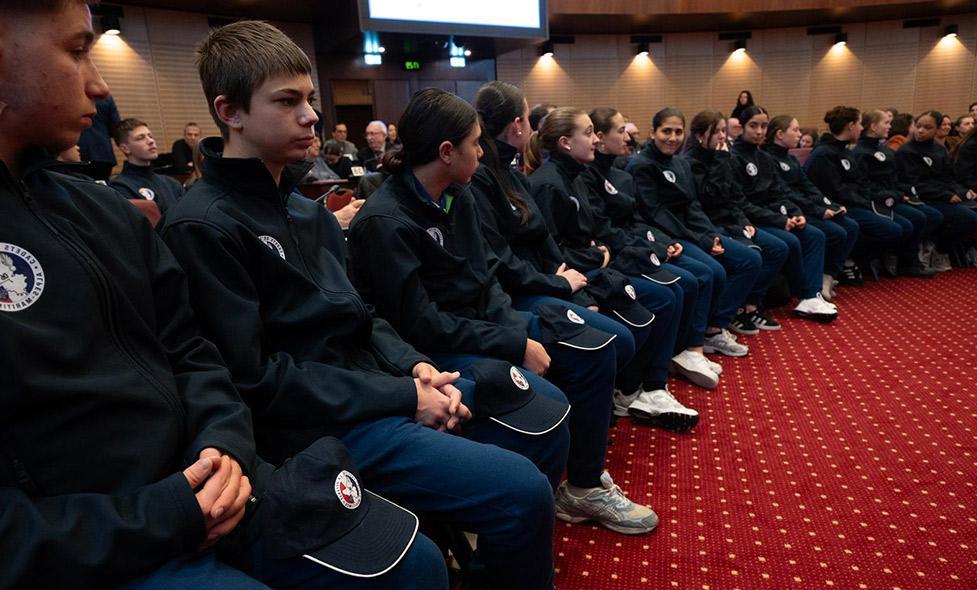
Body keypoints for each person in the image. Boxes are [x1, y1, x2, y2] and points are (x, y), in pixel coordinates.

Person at [0, 4, 447, 589]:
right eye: (78, 49)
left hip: (217, 469)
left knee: (416, 566)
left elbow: (191, 352)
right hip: (99, 532)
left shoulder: (101, 211)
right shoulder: (200, 224)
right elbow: (256, 375)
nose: (99, 83)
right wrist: (168, 511)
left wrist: (222, 447)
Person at [162, 23, 565, 590]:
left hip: (377, 388)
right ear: (230, 111)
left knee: (540, 416)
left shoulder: (308, 213)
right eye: (287, 101)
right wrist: (405, 394)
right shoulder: (203, 225)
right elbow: (255, 381)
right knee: (521, 492)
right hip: (312, 427)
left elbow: (363, 315)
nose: (310, 116)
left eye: (309, 99)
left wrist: (415, 367)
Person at [349, 88, 660, 537]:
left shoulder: (458, 195)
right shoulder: (386, 221)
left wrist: (517, 333)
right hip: (435, 352)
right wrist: (515, 342)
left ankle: (581, 488)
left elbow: (485, 279)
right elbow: (421, 325)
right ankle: (526, 501)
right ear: (446, 152)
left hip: (485, 325)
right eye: (476, 143)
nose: (482, 150)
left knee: (595, 350)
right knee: (549, 406)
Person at [520, 102, 705, 414]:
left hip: (593, 263)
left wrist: (600, 252)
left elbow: (592, 229)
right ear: (566, 143)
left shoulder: (575, 174)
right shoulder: (548, 183)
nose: (595, 139)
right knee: (661, 298)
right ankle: (633, 388)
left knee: (672, 291)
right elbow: (551, 251)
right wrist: (596, 256)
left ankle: (650, 384)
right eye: (590, 133)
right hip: (578, 274)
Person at [583, 106, 723, 390]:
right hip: (612, 256)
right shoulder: (591, 175)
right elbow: (605, 230)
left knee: (699, 276)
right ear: (599, 137)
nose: (627, 137)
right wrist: (653, 248)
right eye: (621, 131)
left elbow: (634, 220)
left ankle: (680, 354)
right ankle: (651, 382)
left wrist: (659, 243)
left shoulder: (619, 175)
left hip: (635, 243)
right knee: (678, 287)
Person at [628, 107, 768, 351]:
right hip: (663, 234)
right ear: (652, 132)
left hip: (691, 231)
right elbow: (656, 213)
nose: (672, 137)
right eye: (666, 131)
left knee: (750, 258)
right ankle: (698, 339)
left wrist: (709, 234)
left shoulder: (679, 164)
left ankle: (714, 327)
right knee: (712, 271)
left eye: (678, 132)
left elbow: (692, 205)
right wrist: (701, 239)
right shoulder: (641, 165)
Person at [682, 111, 791, 330]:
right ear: (701, 136)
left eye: (724, 131)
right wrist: (721, 161)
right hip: (709, 224)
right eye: (717, 131)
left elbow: (733, 198)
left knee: (779, 248)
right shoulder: (689, 162)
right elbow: (706, 197)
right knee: (751, 257)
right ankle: (720, 321)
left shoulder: (722, 158)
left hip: (730, 220)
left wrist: (743, 221)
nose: (722, 136)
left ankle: (749, 304)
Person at [730, 106, 838, 322]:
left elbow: (779, 193)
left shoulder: (764, 158)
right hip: (750, 219)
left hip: (771, 215)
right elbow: (740, 204)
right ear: (742, 128)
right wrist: (780, 219)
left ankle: (810, 295)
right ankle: (754, 301)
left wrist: (795, 213)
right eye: (753, 126)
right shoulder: (733, 158)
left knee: (814, 234)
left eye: (763, 126)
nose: (759, 131)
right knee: (787, 243)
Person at [762, 115, 862, 296]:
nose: (799, 134)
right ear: (779, 134)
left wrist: (830, 205)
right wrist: (818, 210)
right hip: (790, 210)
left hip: (802, 206)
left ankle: (828, 275)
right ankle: (811, 288)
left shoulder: (791, 159)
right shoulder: (768, 158)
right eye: (795, 130)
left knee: (851, 225)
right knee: (833, 233)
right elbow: (784, 193)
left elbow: (808, 186)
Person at [804, 106, 908, 279]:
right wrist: (866, 203)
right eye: (859, 124)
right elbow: (836, 190)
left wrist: (870, 200)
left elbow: (859, 183)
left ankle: (858, 257)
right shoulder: (824, 153)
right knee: (891, 229)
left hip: (856, 202)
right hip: (837, 206)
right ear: (850, 126)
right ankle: (855, 259)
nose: (862, 128)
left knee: (903, 225)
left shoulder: (845, 150)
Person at [853, 109, 941, 277]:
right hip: (876, 200)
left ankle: (906, 261)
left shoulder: (885, 150)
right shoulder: (861, 151)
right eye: (886, 123)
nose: (890, 126)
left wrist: (899, 193)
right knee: (906, 224)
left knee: (920, 216)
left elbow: (895, 178)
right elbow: (863, 184)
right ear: (873, 126)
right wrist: (890, 194)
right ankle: (885, 256)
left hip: (892, 197)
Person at [897, 110, 977, 266]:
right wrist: (945, 195)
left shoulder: (939, 150)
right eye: (918, 126)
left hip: (942, 195)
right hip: (921, 198)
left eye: (927, 127)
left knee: (971, 215)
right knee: (965, 218)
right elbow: (914, 184)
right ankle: (933, 246)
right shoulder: (906, 151)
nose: (920, 131)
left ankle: (940, 249)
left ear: (936, 129)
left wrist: (963, 192)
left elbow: (949, 178)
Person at [109, 117, 185, 215]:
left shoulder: (172, 183)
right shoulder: (120, 187)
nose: (150, 141)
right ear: (125, 148)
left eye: (150, 136)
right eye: (141, 138)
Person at [76, 94, 120, 180]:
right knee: (101, 189)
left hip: (78, 152)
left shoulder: (71, 94)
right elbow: (116, 127)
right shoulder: (105, 97)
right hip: (103, 153)